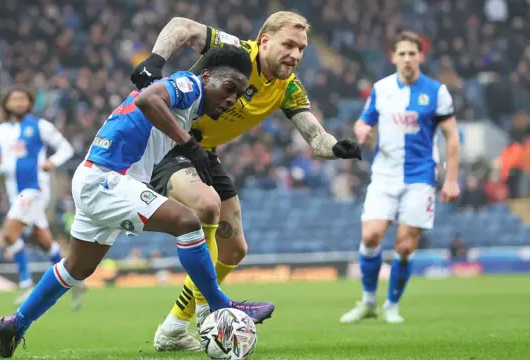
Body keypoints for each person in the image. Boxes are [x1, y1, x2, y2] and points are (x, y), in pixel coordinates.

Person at [0, 46, 275, 359]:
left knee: (77, 268)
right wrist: (189, 144)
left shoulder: (190, 103)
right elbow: (147, 98)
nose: (232, 99)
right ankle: (220, 305)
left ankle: (16, 323)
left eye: (238, 96)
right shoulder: (189, 85)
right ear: (206, 76)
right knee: (188, 222)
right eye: (229, 89)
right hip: (108, 179)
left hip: (94, 178)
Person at [129, 11, 363, 351]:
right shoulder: (238, 51)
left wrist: (338, 148)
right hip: (168, 139)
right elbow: (181, 25)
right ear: (264, 41)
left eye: (302, 49)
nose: (296, 55)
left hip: (204, 152)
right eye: (289, 45)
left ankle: (173, 329)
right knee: (205, 205)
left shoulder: (289, 87)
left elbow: (316, 137)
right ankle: (213, 305)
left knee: (235, 249)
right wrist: (155, 60)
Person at [339, 31, 461, 324]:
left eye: (412, 53)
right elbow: (362, 122)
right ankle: (368, 300)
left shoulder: (436, 91)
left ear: (421, 57)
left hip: (420, 176)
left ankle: (392, 304)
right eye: (402, 53)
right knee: (370, 236)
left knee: (405, 246)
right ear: (393, 57)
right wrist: (361, 131)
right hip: (384, 175)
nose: (407, 59)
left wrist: (452, 178)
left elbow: (452, 136)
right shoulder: (381, 89)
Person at [0, 87, 85, 309]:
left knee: (9, 234)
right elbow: (2, 161)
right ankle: (74, 280)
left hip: (35, 189)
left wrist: (51, 162)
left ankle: (25, 284)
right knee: (42, 240)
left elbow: (66, 148)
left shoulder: (40, 126)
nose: (17, 102)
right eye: (13, 98)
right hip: (16, 191)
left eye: (22, 98)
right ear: (6, 103)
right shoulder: (0, 131)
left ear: (30, 102)